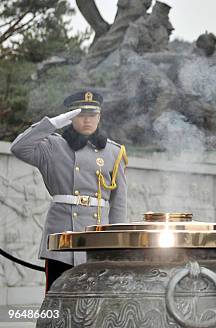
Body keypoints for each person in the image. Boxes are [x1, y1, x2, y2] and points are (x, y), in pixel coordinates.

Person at [10, 90, 128, 292]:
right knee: (56, 297)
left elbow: (118, 203)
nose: (87, 120)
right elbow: (19, 147)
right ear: (71, 117)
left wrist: (117, 243)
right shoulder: (53, 146)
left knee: (95, 300)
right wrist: (53, 123)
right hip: (61, 237)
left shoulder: (114, 152)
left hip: (97, 237)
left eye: (92, 115)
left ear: (99, 117)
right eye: (81, 115)